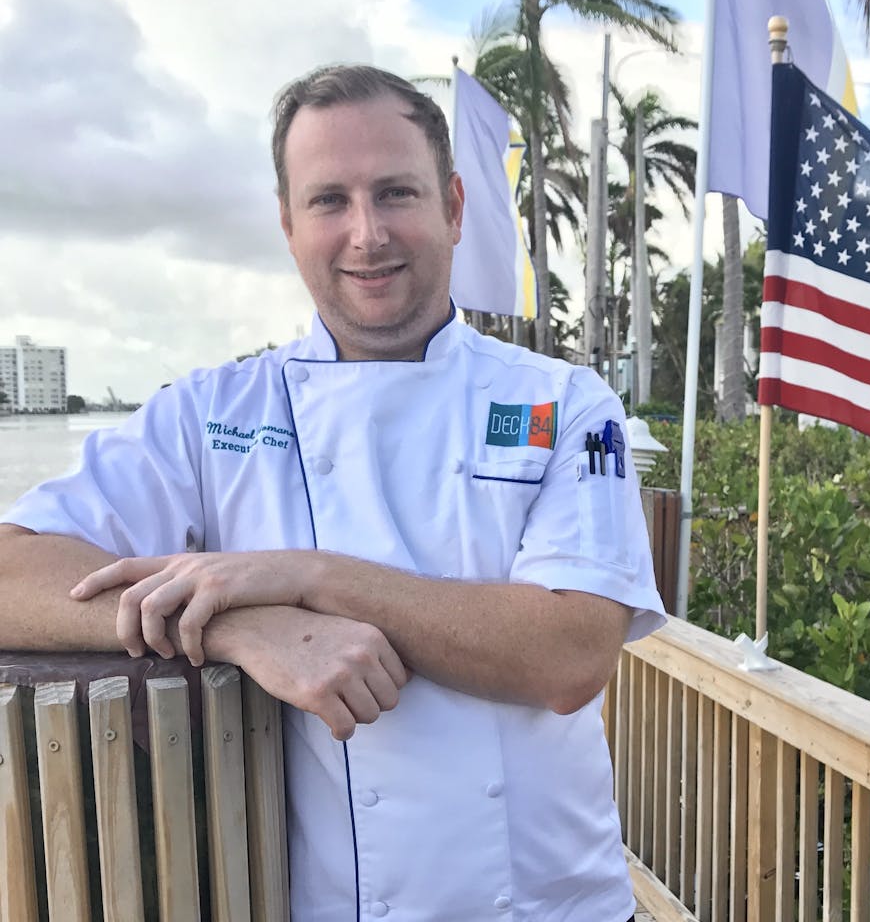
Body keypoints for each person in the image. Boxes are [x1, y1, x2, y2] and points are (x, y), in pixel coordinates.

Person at [0, 63, 665, 921]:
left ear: (454, 208)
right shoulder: (212, 413)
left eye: (396, 193)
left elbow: (569, 656)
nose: (367, 233)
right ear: (287, 224)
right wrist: (244, 625)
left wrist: (311, 576)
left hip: (549, 906)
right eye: (328, 201)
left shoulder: (564, 403)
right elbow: (12, 569)